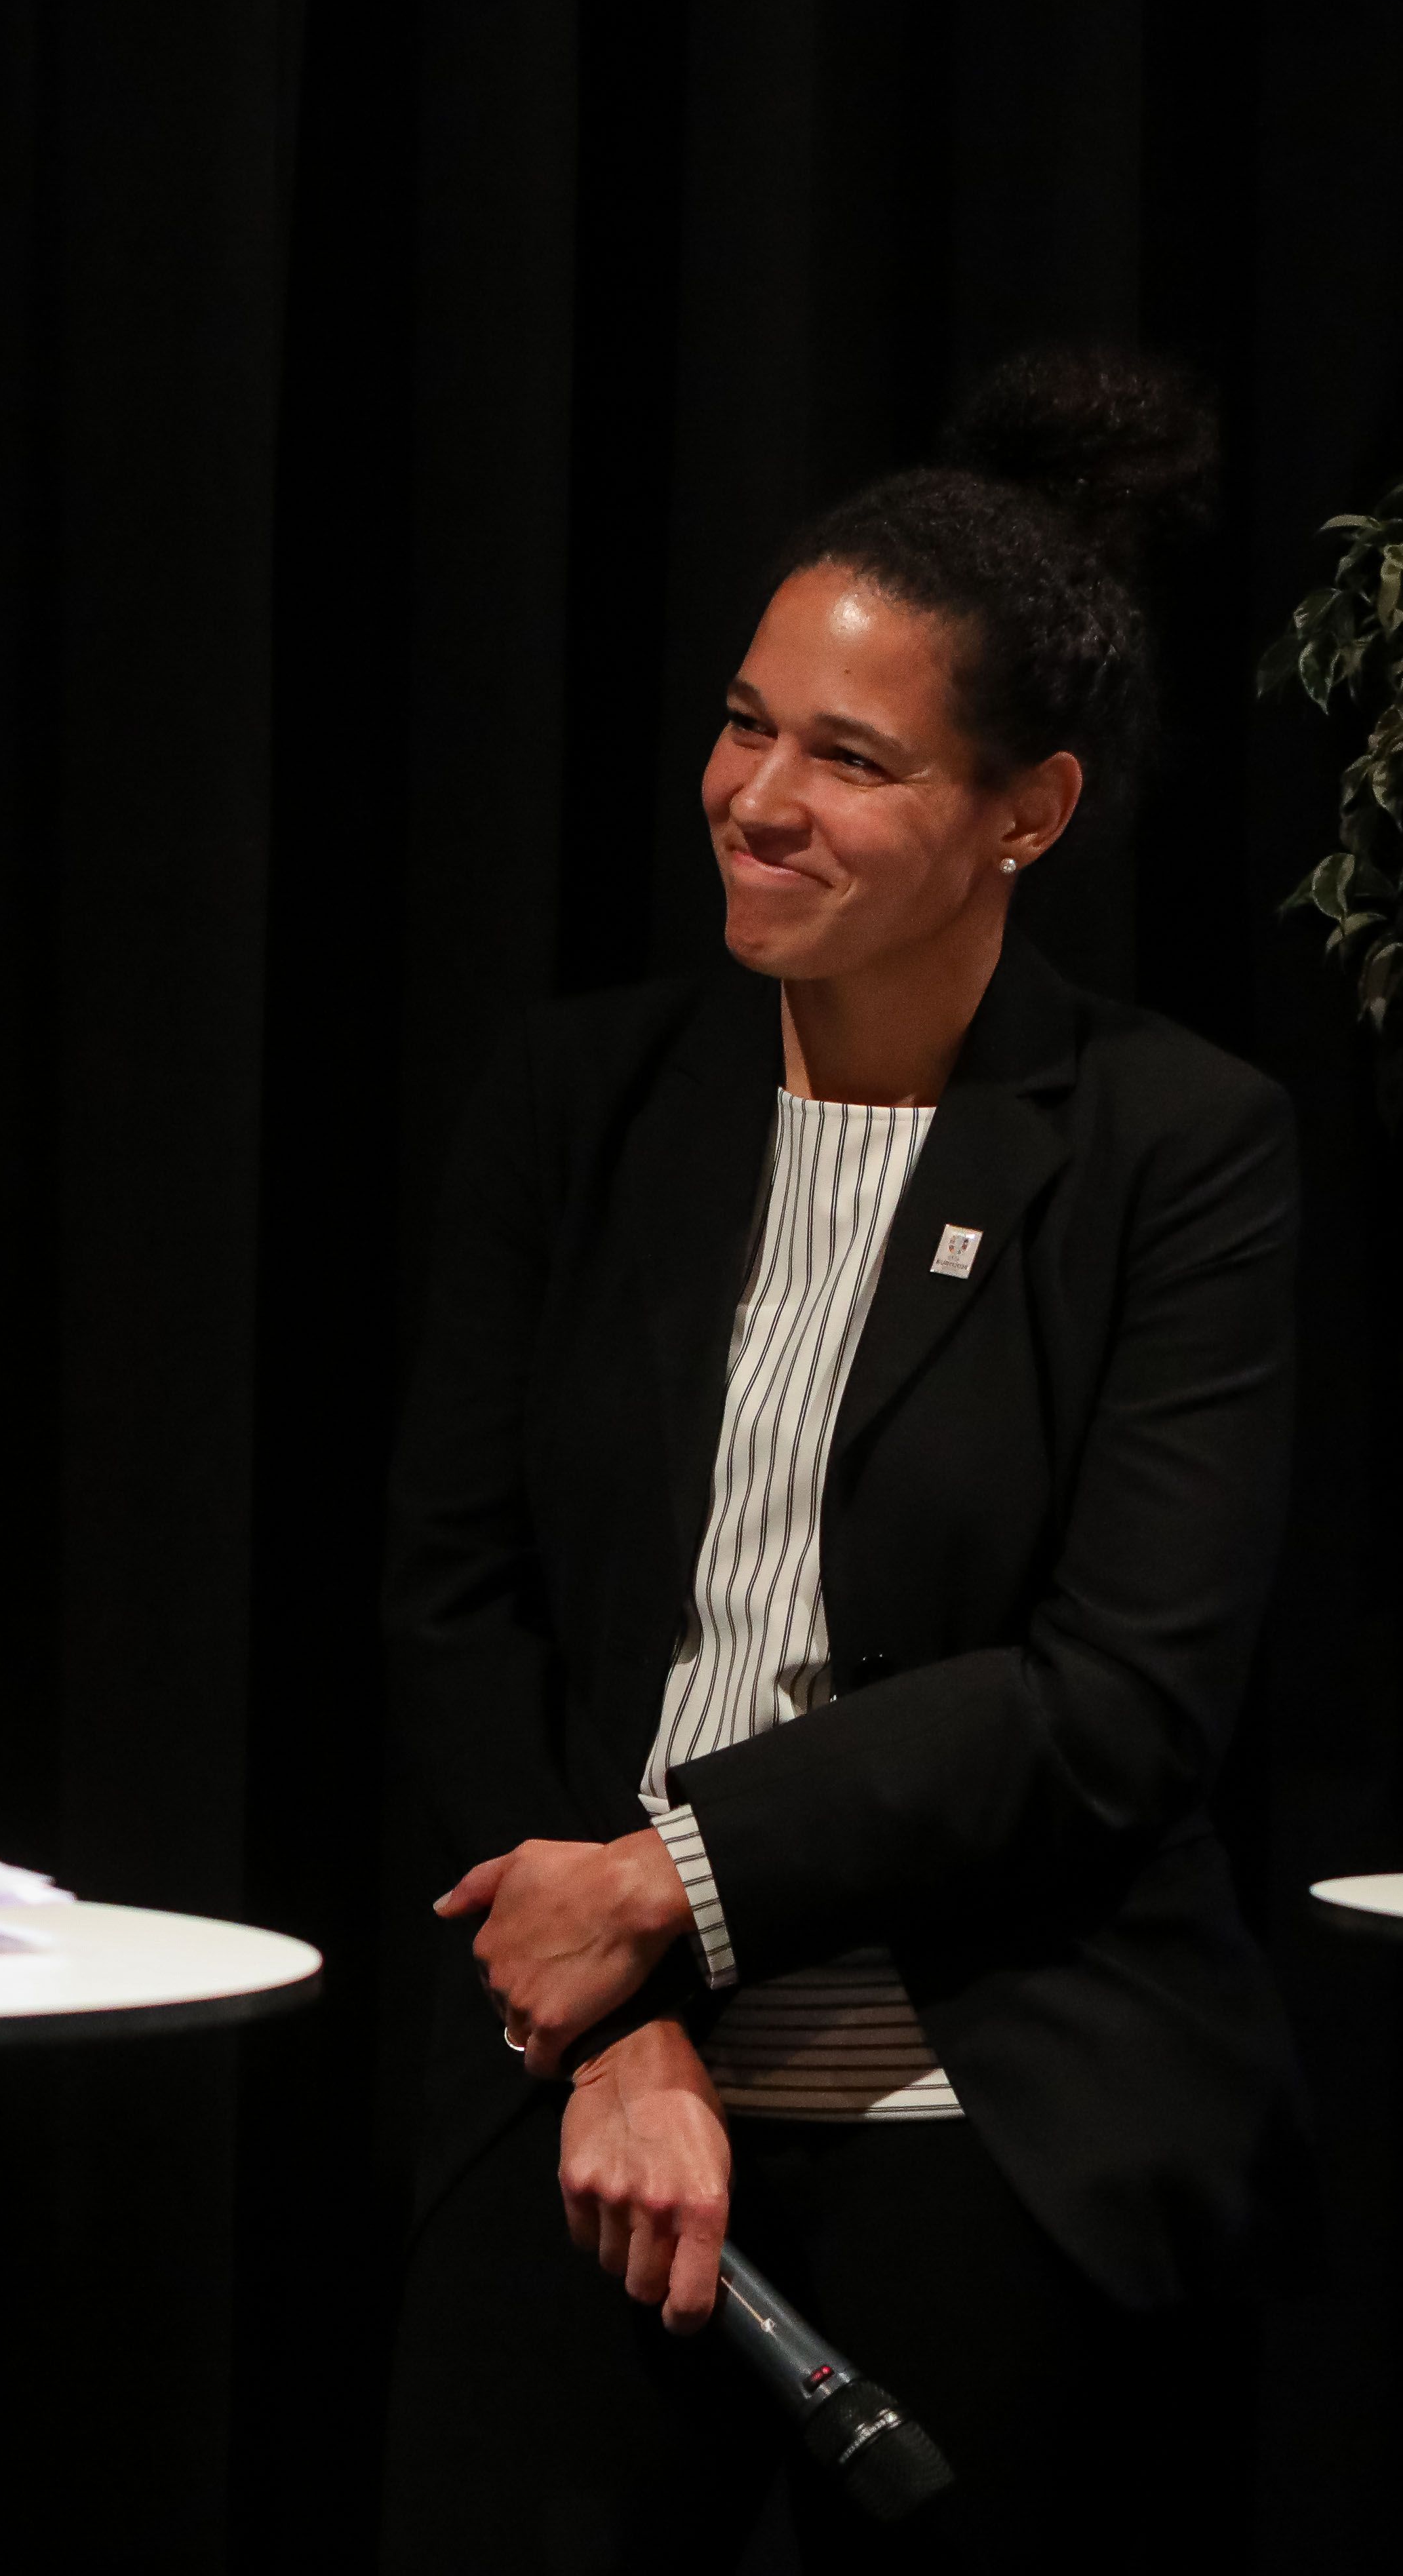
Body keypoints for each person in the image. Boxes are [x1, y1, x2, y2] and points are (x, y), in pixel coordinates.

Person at [379, 346, 1296, 2564]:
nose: (756, 794)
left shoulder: (1180, 1149)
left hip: (995, 2108)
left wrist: (666, 1886)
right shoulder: (580, 1103)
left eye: (851, 757)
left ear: (1031, 812)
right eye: (744, 719)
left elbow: (1116, 1697)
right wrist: (607, 2017)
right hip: (587, 2100)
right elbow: (457, 1597)